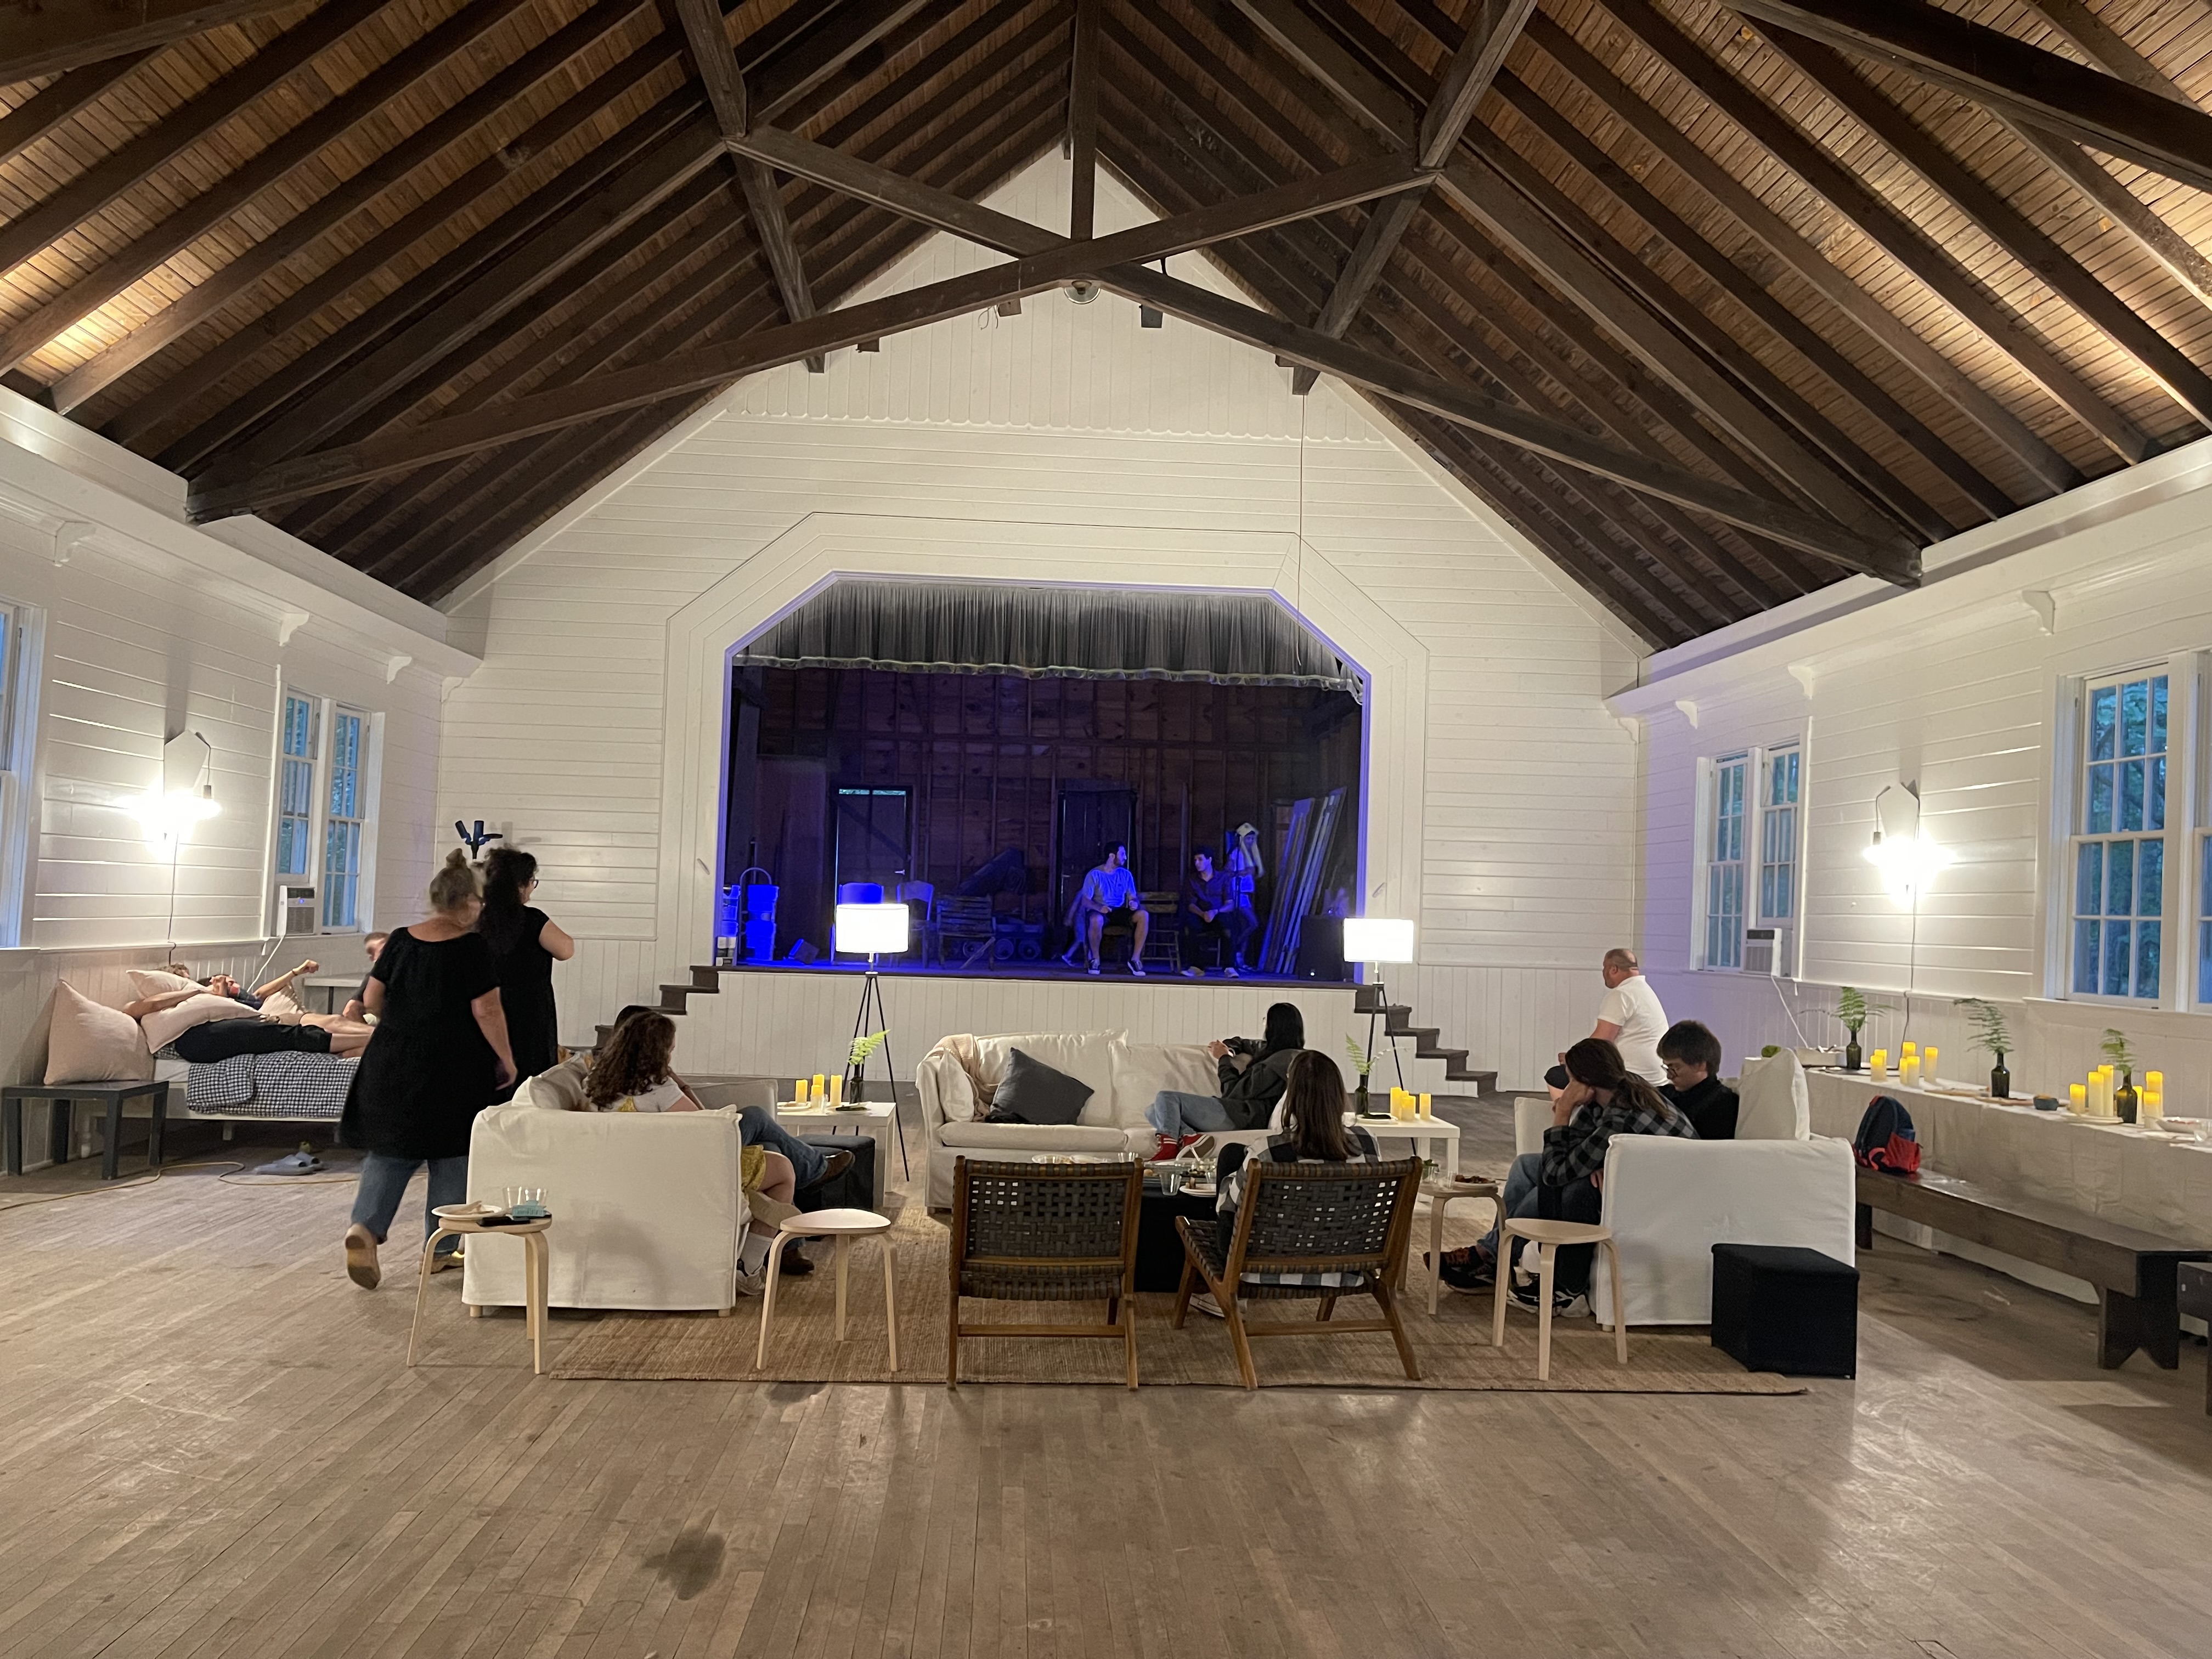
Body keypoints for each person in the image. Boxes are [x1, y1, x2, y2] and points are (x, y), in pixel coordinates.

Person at [338, 851, 517, 1290]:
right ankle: (439, 1249)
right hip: (453, 1064)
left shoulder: (400, 940)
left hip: (391, 1060)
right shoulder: (472, 947)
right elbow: (487, 1010)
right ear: (469, 903)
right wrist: (507, 1058)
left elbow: (372, 999)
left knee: (391, 1150)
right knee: (452, 1155)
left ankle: (365, 1228)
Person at [1438, 1037, 1695, 1308]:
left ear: (1586, 1081)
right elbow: (1572, 1148)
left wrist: (1563, 1111)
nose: (1569, 1086)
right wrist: (1599, 1162)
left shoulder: (1621, 1114)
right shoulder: (1618, 1088)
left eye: (1572, 1080)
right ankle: (1494, 1255)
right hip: (1637, 1177)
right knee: (1526, 1165)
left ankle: (1492, 1256)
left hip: (1662, 1193)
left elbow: (1555, 1172)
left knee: (1556, 1182)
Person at [582, 1011, 797, 1293]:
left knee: (768, 1150)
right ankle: (748, 1269)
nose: (670, 1057)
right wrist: (680, 1085)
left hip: (623, 1175)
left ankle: (759, 1202)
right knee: (783, 1170)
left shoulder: (594, 1085)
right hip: (675, 1175)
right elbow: (707, 1131)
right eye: (669, 1050)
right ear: (657, 1052)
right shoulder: (658, 1088)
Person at [1189, 1051, 1378, 1317]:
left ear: (1292, 1095)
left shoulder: (1268, 1151)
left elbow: (1228, 1208)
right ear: (1338, 1093)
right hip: (1346, 1264)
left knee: (1232, 1158)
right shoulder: (1367, 1143)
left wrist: (1232, 1178)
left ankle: (1234, 1294)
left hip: (1262, 1265)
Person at [1146, 1001, 1305, 1157]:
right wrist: (1230, 1049)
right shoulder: (1277, 1052)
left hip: (1244, 1117)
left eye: (1266, 1022)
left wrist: (1224, 1059)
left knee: (1166, 1098)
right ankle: (1189, 1137)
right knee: (1153, 1111)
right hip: (1239, 1113)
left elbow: (1233, 1093)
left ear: (1273, 1027)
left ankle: (1169, 1148)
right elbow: (1245, 1043)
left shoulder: (1278, 1063)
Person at [476, 847, 574, 1090]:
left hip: (486, 1006)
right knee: (530, 1082)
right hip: (530, 1012)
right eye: (532, 881)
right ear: (520, 885)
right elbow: (566, 950)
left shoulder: (476, 919)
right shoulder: (532, 919)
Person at [1589, 947, 1668, 1085]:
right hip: (1658, 1077)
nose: (1603, 972)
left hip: (1633, 1077)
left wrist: (1572, 1058)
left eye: (1604, 967)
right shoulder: (1644, 990)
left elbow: (1601, 1042)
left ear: (1613, 969)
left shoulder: (1622, 994)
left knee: (1558, 1076)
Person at [1067, 843, 1147, 976]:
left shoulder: (1126, 874)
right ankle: (1095, 959)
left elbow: (1133, 897)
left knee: (1143, 915)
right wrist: (1099, 907)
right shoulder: (1095, 874)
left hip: (1119, 910)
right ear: (1112, 856)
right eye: (1122, 854)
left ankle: (1135, 960)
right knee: (1096, 919)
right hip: (1100, 909)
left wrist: (1134, 903)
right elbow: (1086, 901)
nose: (1125, 857)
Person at [1658, 1020, 1738, 1141]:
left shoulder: (1723, 1106)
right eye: (1667, 1068)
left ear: (1700, 1065)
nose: (1669, 1076)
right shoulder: (1665, 1093)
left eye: (1675, 1068)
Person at [1178, 848, 1251, 978]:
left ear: (1209, 860)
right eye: (1195, 860)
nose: (1197, 863)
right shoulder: (1192, 880)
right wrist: (1203, 914)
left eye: (1200, 859)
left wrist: (1215, 912)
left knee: (1229, 927)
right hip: (1200, 914)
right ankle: (1196, 967)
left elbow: (1230, 903)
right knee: (1190, 927)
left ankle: (1229, 967)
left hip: (1218, 914)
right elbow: (1191, 905)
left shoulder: (1223, 878)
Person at [341, 933, 389, 1022]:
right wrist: (367, 1030)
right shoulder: (374, 978)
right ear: (373, 958)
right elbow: (350, 1011)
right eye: (384, 951)